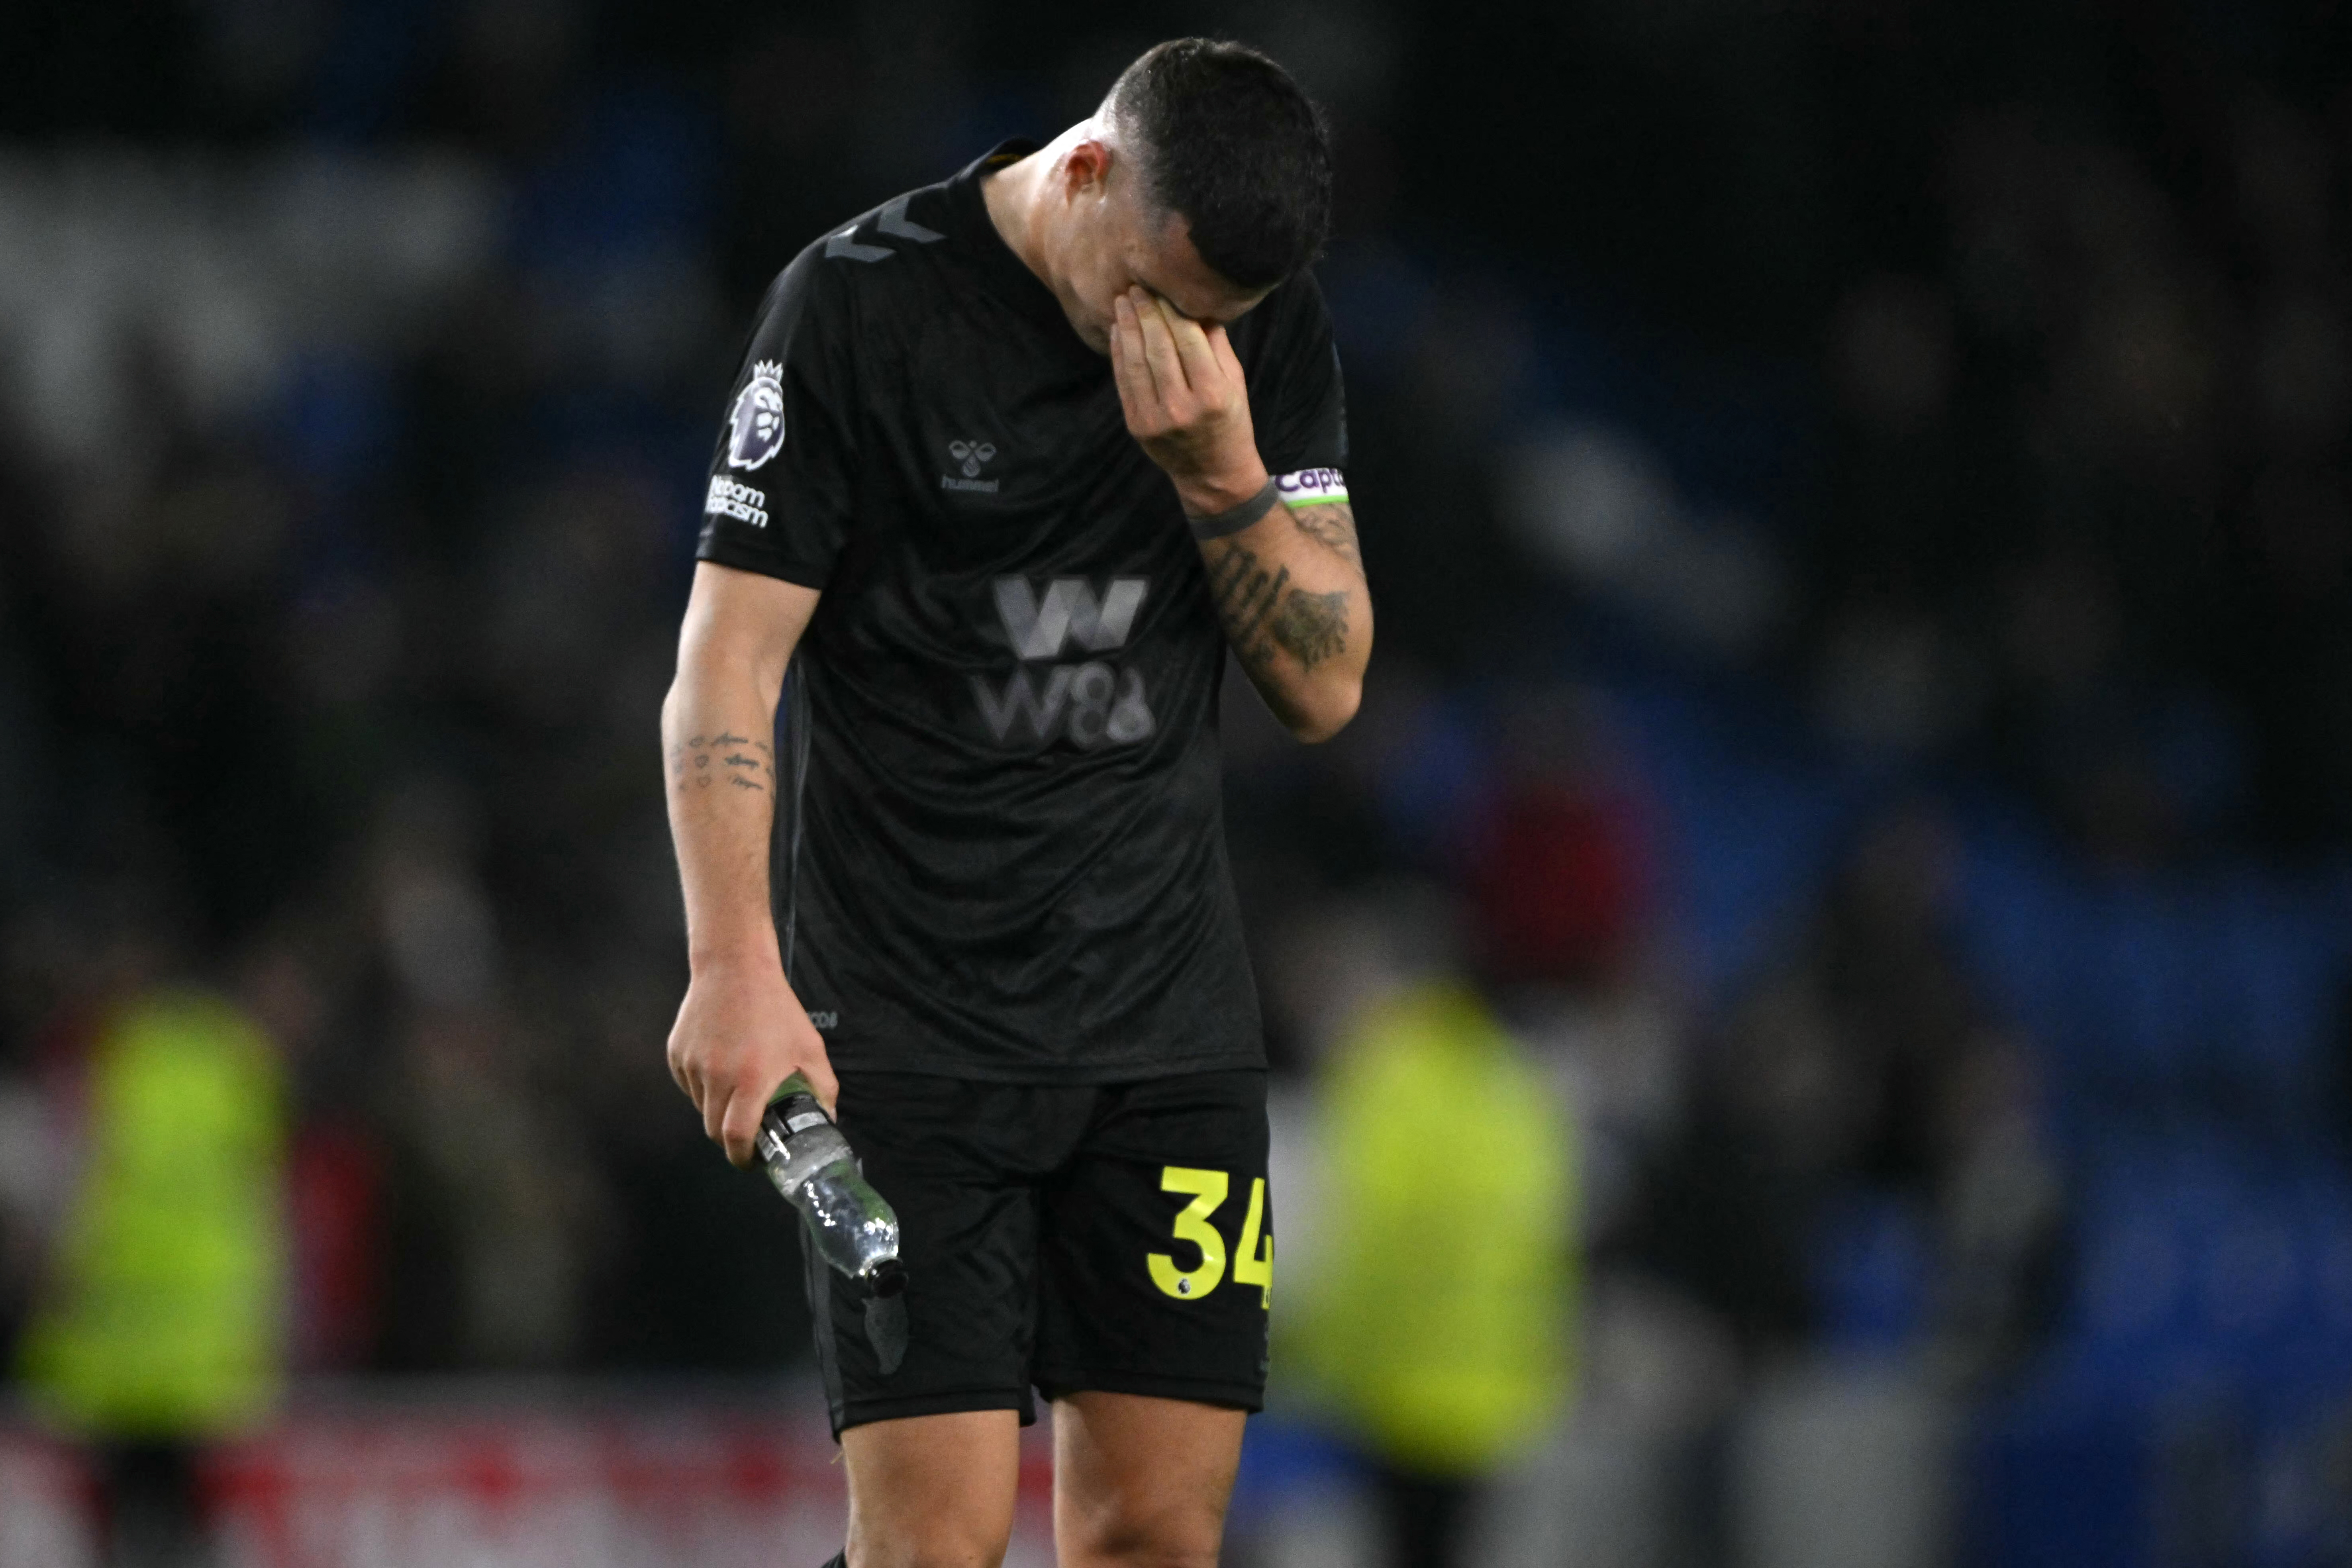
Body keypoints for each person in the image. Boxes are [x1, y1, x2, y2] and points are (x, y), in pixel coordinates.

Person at [660, 37, 1370, 1568]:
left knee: (1156, 1537)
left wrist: (1222, 470)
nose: (1182, 334)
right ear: (1093, 169)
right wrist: (733, 966)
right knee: (938, 1546)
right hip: (913, 1037)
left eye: (1218, 319)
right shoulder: (857, 308)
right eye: (1162, 292)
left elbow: (1326, 685)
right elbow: (727, 669)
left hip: (1165, 1031)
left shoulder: (1264, 342)